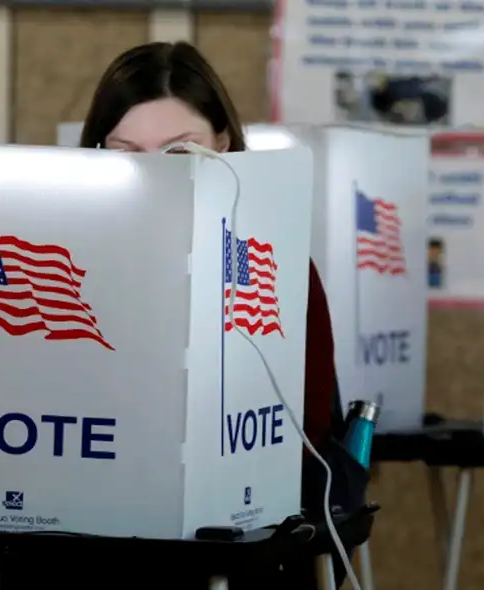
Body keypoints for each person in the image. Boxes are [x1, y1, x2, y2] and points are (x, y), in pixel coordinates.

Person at [77, 41, 368, 589]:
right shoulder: (68, 261)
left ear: (224, 145)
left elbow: (303, 434)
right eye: (127, 151)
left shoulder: (275, 267)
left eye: (180, 152)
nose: (155, 174)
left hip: (236, 543)